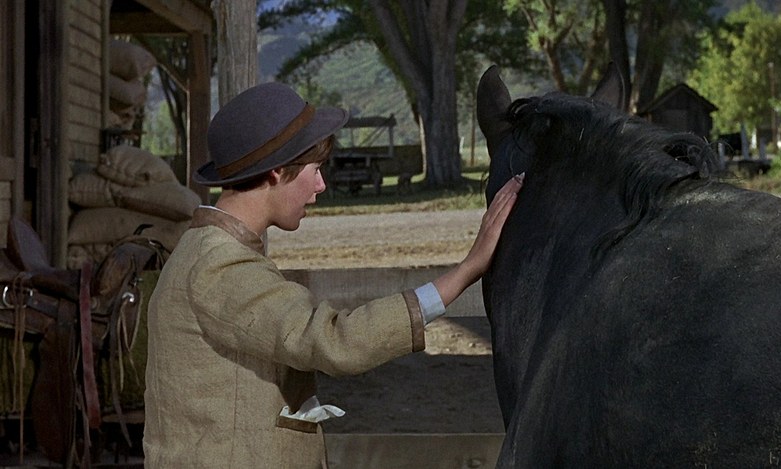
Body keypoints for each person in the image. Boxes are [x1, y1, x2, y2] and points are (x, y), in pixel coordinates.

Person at [142, 82, 523, 468]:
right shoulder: (218, 266)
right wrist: (466, 271)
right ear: (277, 171)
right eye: (316, 169)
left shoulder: (205, 251)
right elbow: (336, 341)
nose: (321, 185)